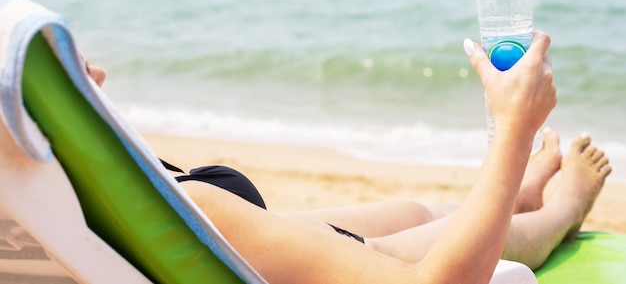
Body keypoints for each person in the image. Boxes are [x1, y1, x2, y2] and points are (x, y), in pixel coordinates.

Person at [84, 30, 611, 284]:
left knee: (416, 210)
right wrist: (515, 131)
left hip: (253, 240)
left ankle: (515, 194)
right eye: (77, 72)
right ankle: (561, 210)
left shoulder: (52, 199)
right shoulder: (184, 209)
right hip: (288, 261)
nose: (100, 74)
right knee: (469, 239)